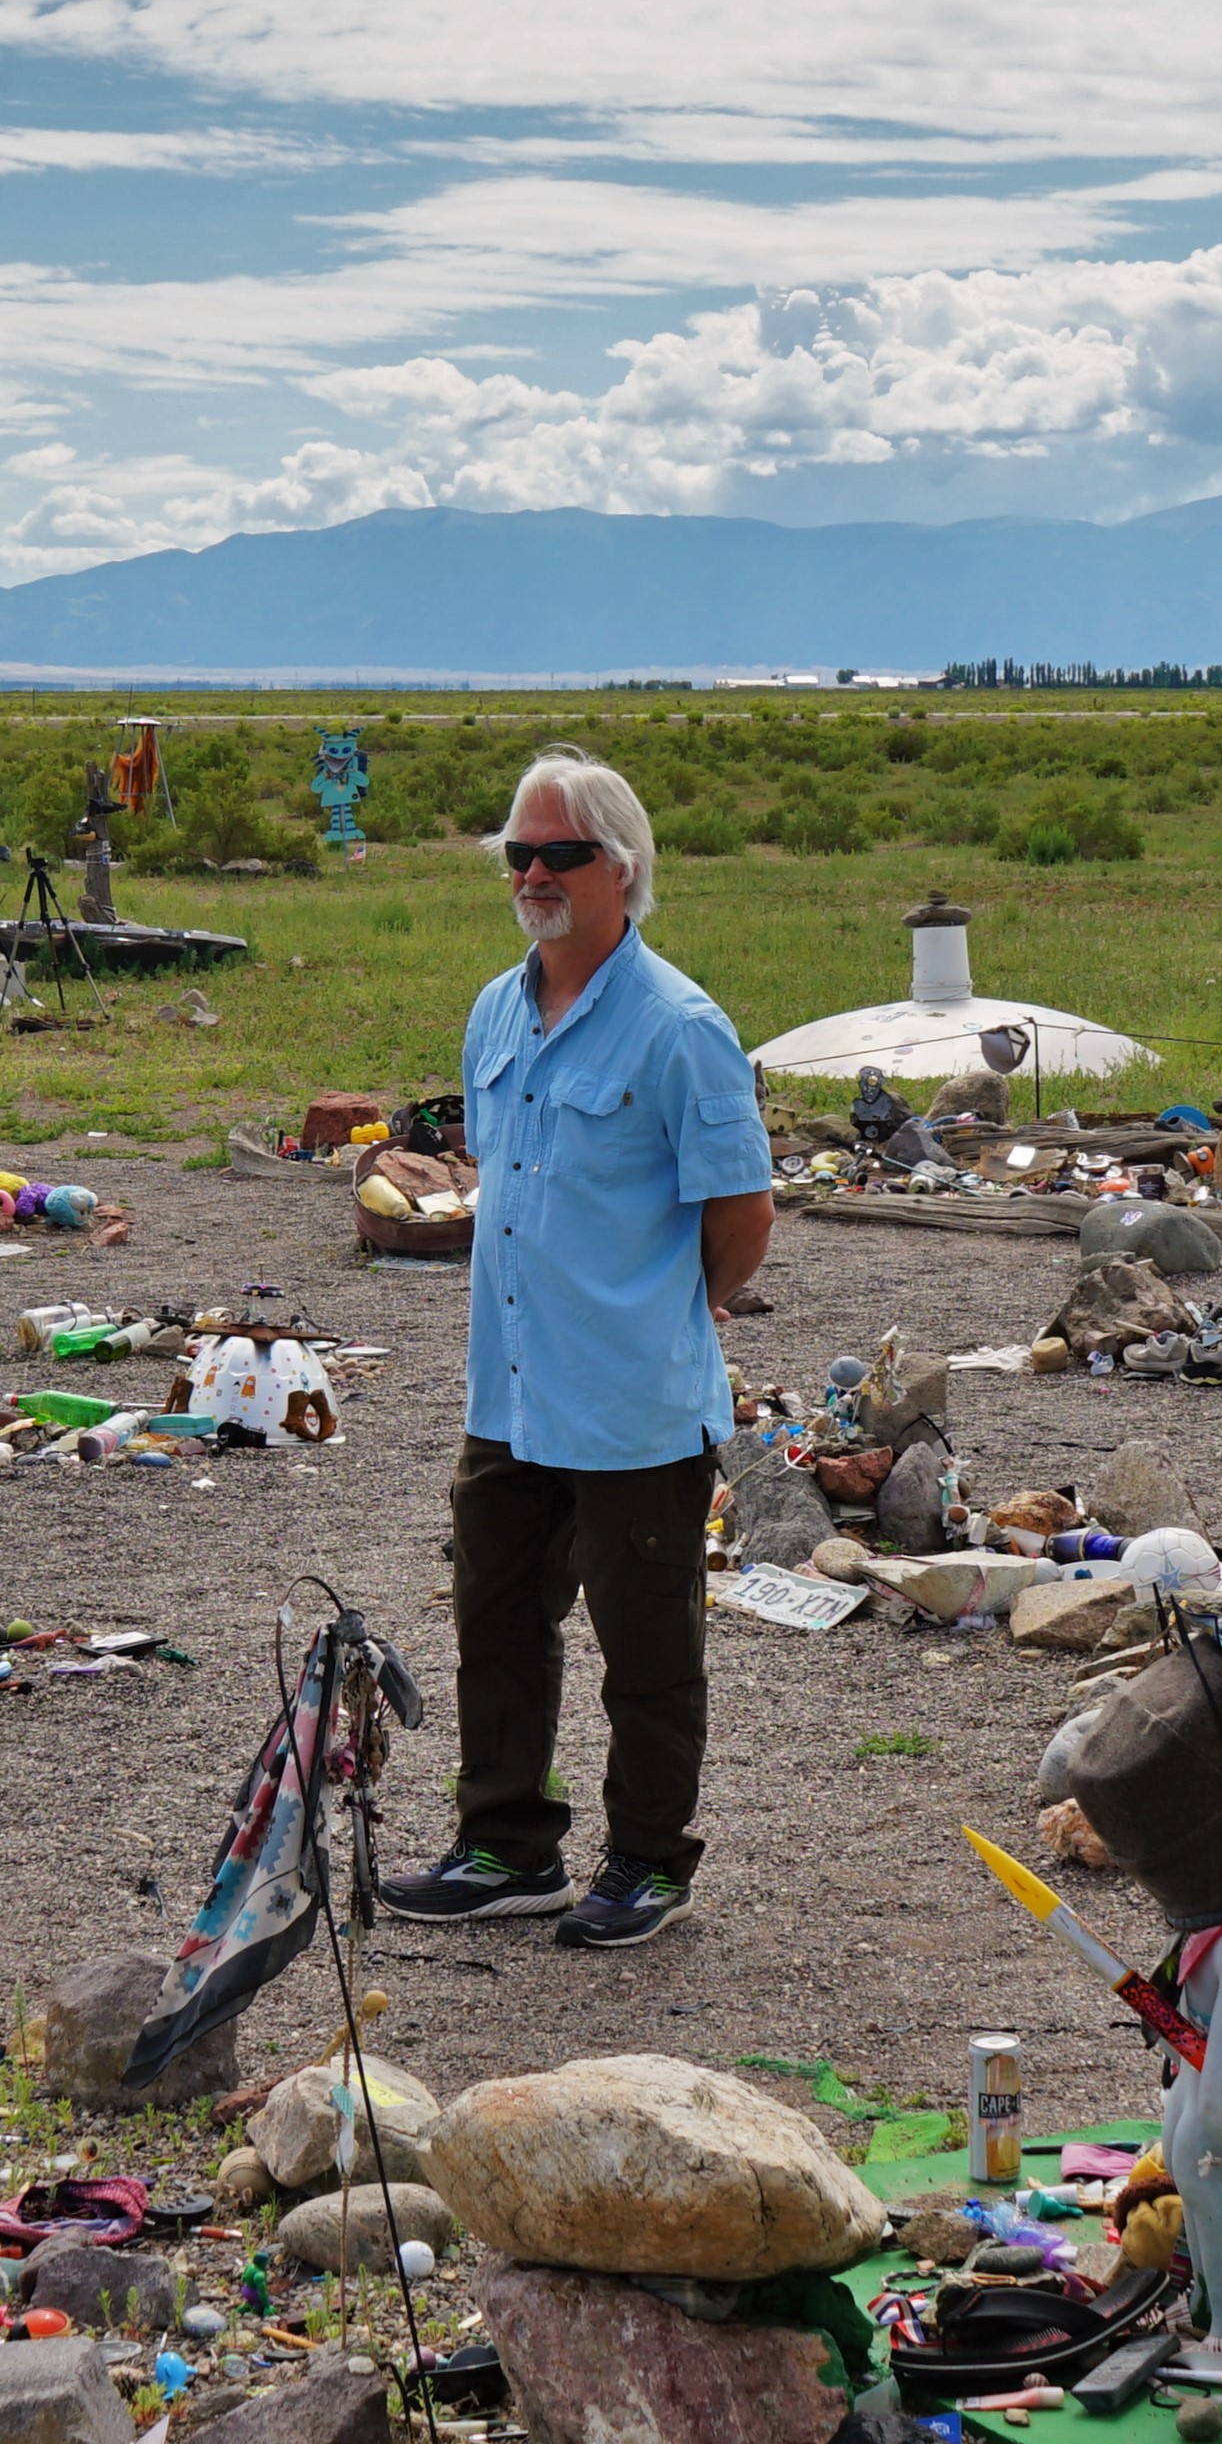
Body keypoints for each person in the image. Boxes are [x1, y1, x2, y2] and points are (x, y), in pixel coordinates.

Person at [386, 749, 776, 1952]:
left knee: (645, 1649)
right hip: (508, 1390)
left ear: (623, 869)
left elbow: (740, 1215)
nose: (535, 875)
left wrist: (654, 1317)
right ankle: (507, 1847)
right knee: (496, 1621)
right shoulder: (496, 1012)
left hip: (630, 1401)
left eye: (561, 853)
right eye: (519, 854)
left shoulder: (680, 1030)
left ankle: (649, 1864)